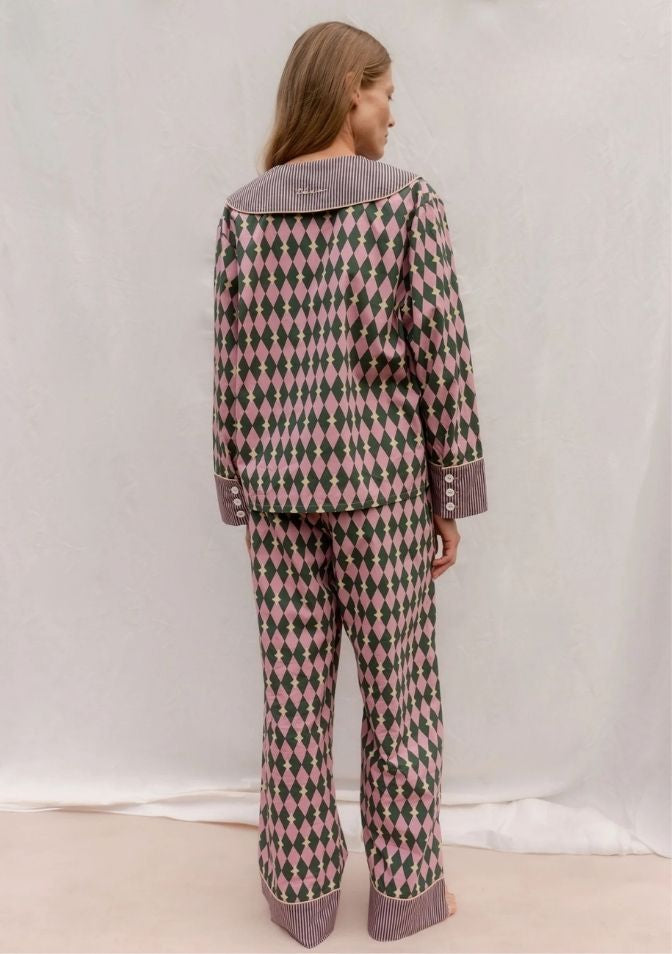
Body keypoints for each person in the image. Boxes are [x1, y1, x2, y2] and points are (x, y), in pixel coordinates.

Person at [212, 19, 488, 947]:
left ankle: (300, 899)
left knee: (292, 703)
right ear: (348, 92)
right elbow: (442, 356)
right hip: (383, 493)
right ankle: (406, 892)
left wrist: (235, 480)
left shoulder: (244, 215)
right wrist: (453, 490)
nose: (393, 116)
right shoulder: (408, 205)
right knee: (400, 696)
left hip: (279, 495)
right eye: (387, 94)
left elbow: (234, 369)